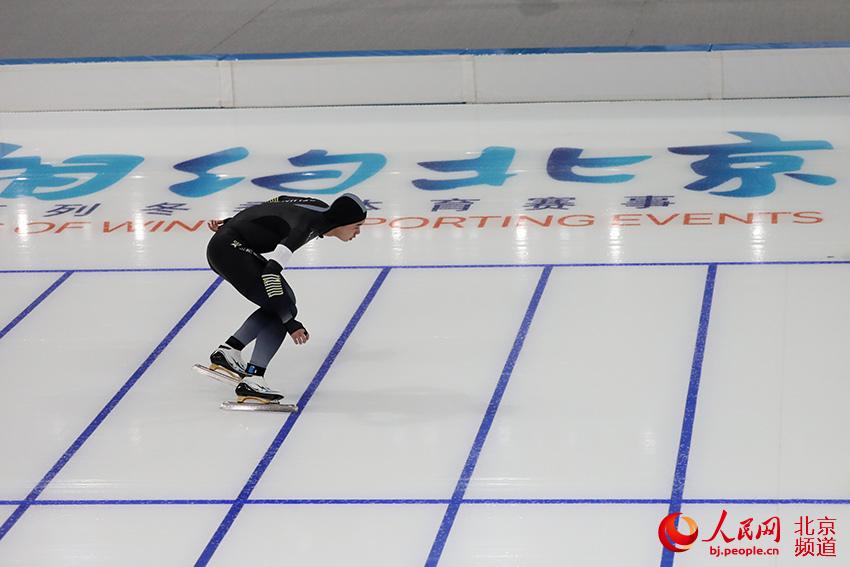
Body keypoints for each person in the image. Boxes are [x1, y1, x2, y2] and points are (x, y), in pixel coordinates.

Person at [205, 193, 367, 403]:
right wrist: (290, 323)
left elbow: (278, 200)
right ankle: (253, 379)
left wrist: (235, 223)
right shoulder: (305, 228)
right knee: (284, 306)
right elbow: (270, 273)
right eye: (357, 225)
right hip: (229, 251)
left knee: (283, 302)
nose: (358, 232)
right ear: (342, 222)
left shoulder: (320, 208)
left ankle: (230, 351)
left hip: (228, 244)